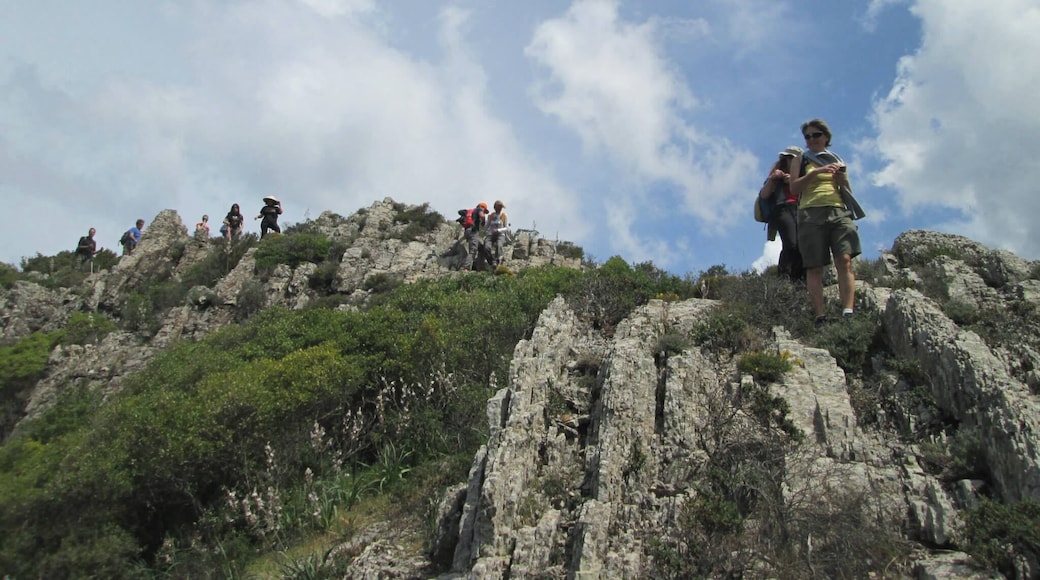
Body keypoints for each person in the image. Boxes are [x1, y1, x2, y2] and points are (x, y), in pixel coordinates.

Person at [789, 118, 861, 327]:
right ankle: (820, 316)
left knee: (845, 259)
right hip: (810, 214)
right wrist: (817, 173)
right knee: (814, 266)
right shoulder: (801, 160)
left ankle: (848, 310)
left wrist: (840, 177)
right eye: (807, 136)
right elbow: (794, 188)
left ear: (826, 137)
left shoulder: (837, 160)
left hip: (837, 210)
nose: (811, 140)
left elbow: (846, 189)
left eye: (816, 135)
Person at [759, 146, 804, 282]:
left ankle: (798, 279)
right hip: (782, 209)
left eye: (793, 158)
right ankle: (784, 278)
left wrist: (793, 180)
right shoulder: (776, 175)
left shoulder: (804, 175)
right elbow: (764, 195)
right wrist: (773, 179)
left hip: (801, 209)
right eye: (788, 158)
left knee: (802, 245)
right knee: (791, 244)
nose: (790, 161)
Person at [460, 201, 489, 271]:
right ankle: (466, 268)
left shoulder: (471, 211)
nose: (484, 212)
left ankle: (480, 267)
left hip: (467, 232)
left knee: (481, 248)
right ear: (483, 208)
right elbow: (482, 216)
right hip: (473, 232)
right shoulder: (479, 210)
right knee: (473, 251)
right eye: (485, 211)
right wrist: (484, 221)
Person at [484, 200, 509, 268]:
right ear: (495, 207)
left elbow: (506, 228)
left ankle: (496, 260)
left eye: (501, 207)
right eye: (499, 207)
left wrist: (498, 230)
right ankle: (491, 261)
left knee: (499, 245)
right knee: (486, 247)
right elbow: (487, 226)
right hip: (490, 234)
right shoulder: (491, 215)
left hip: (500, 234)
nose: (500, 208)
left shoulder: (504, 215)